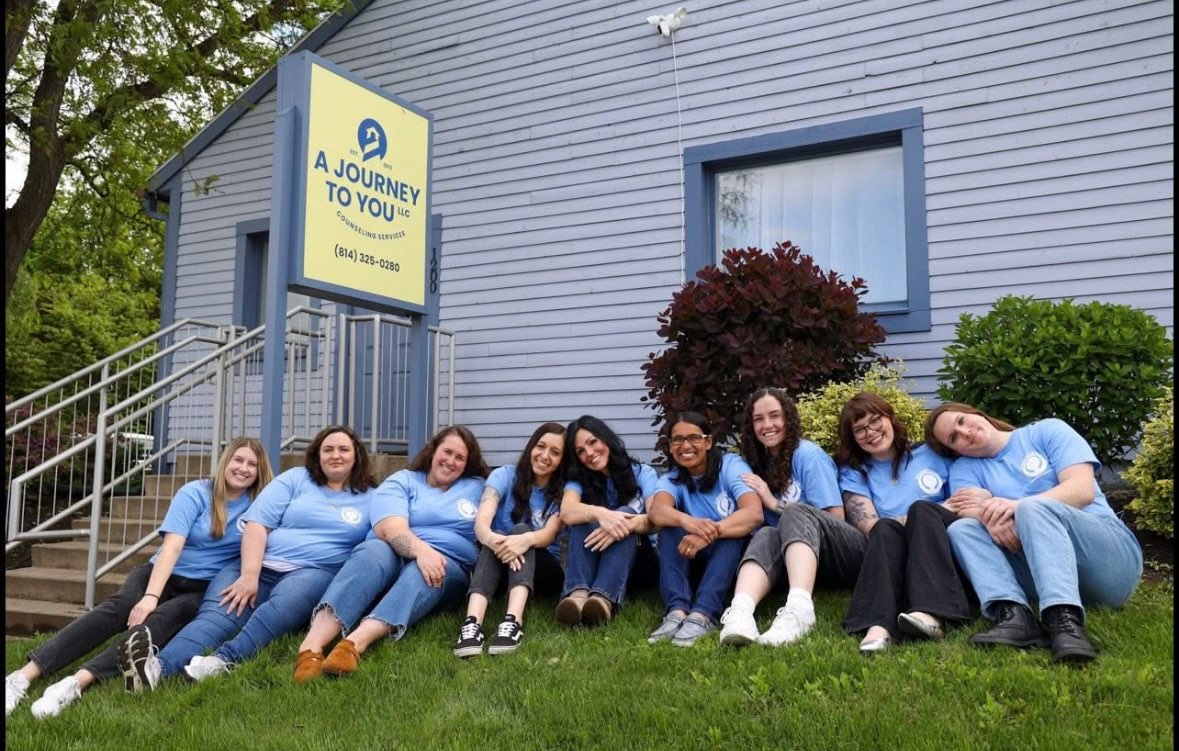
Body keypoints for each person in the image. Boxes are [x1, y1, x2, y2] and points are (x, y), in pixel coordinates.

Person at [5, 438, 273, 718]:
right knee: (124, 605)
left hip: (201, 589)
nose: (243, 468)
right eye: (238, 460)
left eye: (252, 464)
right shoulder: (194, 492)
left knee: (160, 621)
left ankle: (76, 682)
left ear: (260, 470)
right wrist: (150, 596)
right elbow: (172, 547)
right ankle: (22, 677)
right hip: (161, 574)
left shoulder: (258, 506)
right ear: (226, 462)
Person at [116, 425, 377, 688]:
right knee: (217, 615)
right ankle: (156, 669)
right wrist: (250, 575)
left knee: (279, 608)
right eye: (328, 449)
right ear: (317, 455)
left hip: (312, 571)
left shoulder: (371, 497)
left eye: (344, 449)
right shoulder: (296, 479)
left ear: (356, 456)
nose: (336, 455)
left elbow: (375, 542)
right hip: (257, 562)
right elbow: (256, 524)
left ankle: (221, 660)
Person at [925, 403, 1143, 663]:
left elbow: (1081, 490)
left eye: (962, 421)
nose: (965, 432)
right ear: (953, 449)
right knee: (962, 529)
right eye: (954, 437)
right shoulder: (965, 469)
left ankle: (1063, 621)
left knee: (1032, 507)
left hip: (1108, 562)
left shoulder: (1047, 432)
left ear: (975, 413)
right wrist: (990, 514)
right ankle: (1014, 614)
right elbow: (965, 511)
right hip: (1040, 572)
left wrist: (1012, 506)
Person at [292, 425, 489, 681]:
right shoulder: (403, 481)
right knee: (371, 552)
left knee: (425, 571)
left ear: (467, 463)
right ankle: (310, 648)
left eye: (459, 458)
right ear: (432, 451)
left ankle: (354, 643)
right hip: (399, 550)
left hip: (450, 568)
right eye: (447, 452)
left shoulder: (477, 487)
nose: (450, 461)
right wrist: (421, 551)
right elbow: (390, 528)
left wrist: (427, 557)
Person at [717, 387, 857, 647]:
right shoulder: (758, 463)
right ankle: (741, 612)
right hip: (792, 560)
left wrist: (772, 501)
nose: (767, 425)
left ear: (788, 419)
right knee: (766, 532)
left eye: (774, 416)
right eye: (759, 419)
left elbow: (836, 518)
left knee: (793, 511)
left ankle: (800, 609)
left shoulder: (807, 454)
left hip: (842, 555)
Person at [835, 393, 971, 654]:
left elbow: (961, 502)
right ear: (853, 438)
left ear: (890, 418)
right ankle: (879, 626)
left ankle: (931, 613)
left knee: (921, 511)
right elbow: (868, 524)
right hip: (893, 550)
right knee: (884, 529)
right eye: (860, 429)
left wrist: (922, 515)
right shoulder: (855, 472)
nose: (871, 432)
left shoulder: (931, 453)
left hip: (941, 548)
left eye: (875, 421)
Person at [646, 412, 762, 647]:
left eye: (693, 438)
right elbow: (657, 512)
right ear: (670, 446)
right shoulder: (673, 478)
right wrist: (688, 522)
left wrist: (710, 533)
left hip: (734, 562)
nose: (685, 446)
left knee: (733, 534)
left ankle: (703, 614)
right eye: (677, 440)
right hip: (694, 558)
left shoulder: (731, 465)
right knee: (669, 529)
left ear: (708, 442)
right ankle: (677, 611)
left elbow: (753, 514)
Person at [452, 422, 567, 658]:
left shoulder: (563, 491)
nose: (544, 456)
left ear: (563, 461)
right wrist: (496, 541)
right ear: (531, 447)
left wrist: (523, 540)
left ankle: (513, 622)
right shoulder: (503, 475)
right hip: (500, 563)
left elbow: (549, 535)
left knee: (520, 530)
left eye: (555, 453)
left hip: (544, 571)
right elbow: (482, 524)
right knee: (496, 538)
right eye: (541, 446)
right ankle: (471, 626)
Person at [554, 415, 659, 627]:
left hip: (641, 561)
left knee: (625, 512)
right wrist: (602, 515)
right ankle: (578, 596)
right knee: (581, 518)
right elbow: (567, 511)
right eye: (580, 451)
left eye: (592, 442)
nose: (589, 453)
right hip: (596, 560)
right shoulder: (578, 481)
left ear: (606, 438)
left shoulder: (642, 473)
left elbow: (657, 518)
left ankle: (603, 600)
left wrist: (623, 522)